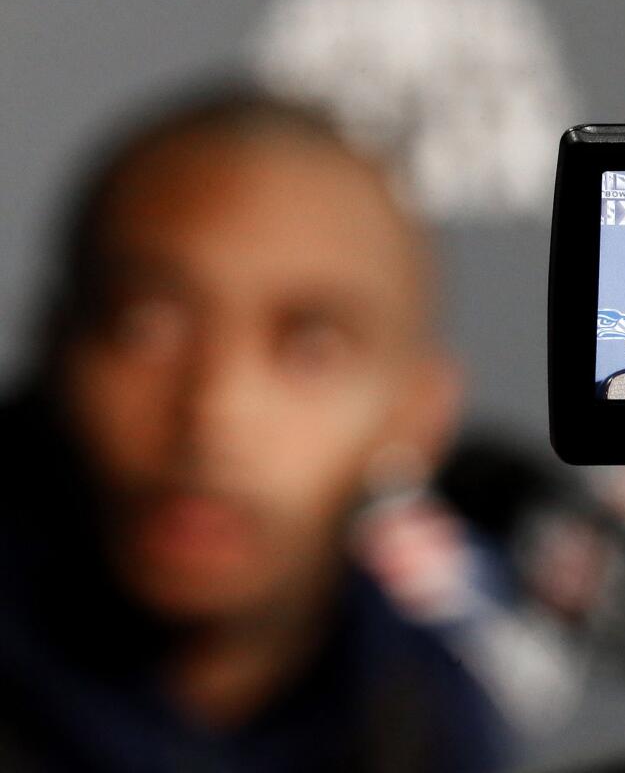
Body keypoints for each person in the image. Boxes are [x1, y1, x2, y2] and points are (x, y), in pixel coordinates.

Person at [0, 86, 506, 771]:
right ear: (58, 347)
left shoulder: (431, 724)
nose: (214, 412)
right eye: (145, 327)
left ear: (419, 412)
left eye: (312, 347)